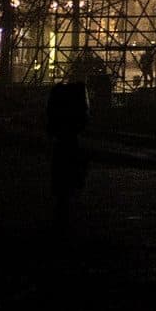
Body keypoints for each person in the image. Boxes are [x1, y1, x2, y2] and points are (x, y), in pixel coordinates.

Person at [44, 79, 90, 220]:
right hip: (70, 141)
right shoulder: (76, 125)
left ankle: (61, 208)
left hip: (61, 142)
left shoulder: (57, 105)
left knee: (61, 173)